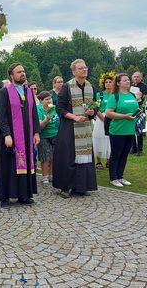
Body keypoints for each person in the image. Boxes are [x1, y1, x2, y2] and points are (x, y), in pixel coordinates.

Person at [0, 64, 40, 207]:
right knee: (9, 165)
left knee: (26, 164)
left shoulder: (28, 92)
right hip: (11, 136)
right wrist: (7, 134)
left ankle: (24, 195)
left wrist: (36, 132)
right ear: (11, 75)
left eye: (23, 71)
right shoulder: (4, 92)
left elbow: (34, 113)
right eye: (19, 72)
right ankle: (5, 197)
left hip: (26, 136)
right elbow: (1, 116)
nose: (22, 73)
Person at [52, 59, 98, 198]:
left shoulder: (91, 87)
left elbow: (95, 106)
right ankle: (65, 187)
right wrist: (74, 117)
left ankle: (81, 186)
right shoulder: (67, 87)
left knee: (84, 157)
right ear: (73, 71)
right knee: (68, 157)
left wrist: (92, 112)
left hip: (85, 127)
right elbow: (59, 108)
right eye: (80, 68)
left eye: (85, 67)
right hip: (69, 127)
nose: (84, 70)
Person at [103, 73, 139, 187]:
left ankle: (120, 176)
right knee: (116, 154)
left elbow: (135, 107)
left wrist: (138, 111)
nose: (127, 82)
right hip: (118, 130)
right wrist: (124, 116)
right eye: (124, 80)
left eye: (128, 80)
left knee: (124, 154)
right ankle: (113, 178)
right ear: (118, 83)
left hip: (130, 129)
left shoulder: (132, 95)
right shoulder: (114, 96)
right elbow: (108, 113)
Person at [36, 91, 59, 183]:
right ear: (41, 101)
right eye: (47, 99)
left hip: (55, 135)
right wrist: (46, 119)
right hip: (44, 136)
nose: (49, 101)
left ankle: (52, 175)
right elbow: (39, 126)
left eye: (50, 98)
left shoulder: (55, 108)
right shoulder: (38, 109)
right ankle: (45, 176)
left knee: (54, 157)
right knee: (45, 157)